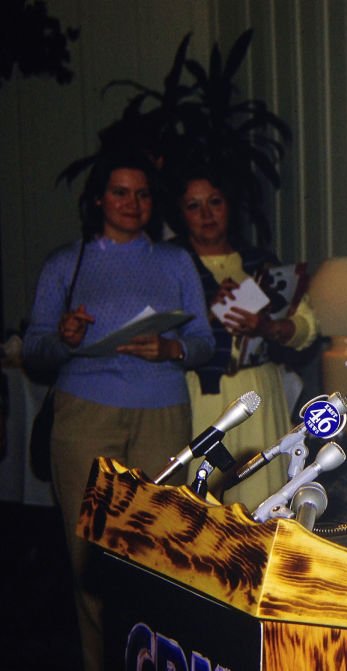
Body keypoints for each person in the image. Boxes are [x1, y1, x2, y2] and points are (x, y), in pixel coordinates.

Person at [22, 150, 215, 671]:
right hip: (85, 414)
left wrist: (171, 349)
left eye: (143, 193)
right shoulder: (67, 263)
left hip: (162, 414)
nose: (133, 203)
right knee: (90, 556)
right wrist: (63, 338)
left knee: (161, 551)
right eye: (120, 192)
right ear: (98, 200)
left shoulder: (174, 261)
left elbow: (202, 340)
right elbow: (35, 350)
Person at [172, 166, 318, 509]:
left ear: (229, 207)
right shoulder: (174, 265)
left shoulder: (260, 261)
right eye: (194, 206)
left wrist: (269, 327)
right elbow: (160, 332)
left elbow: (307, 326)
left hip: (258, 389)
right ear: (181, 214)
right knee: (202, 501)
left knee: (261, 497)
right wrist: (206, 314)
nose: (206, 214)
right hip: (202, 392)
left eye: (215, 202)